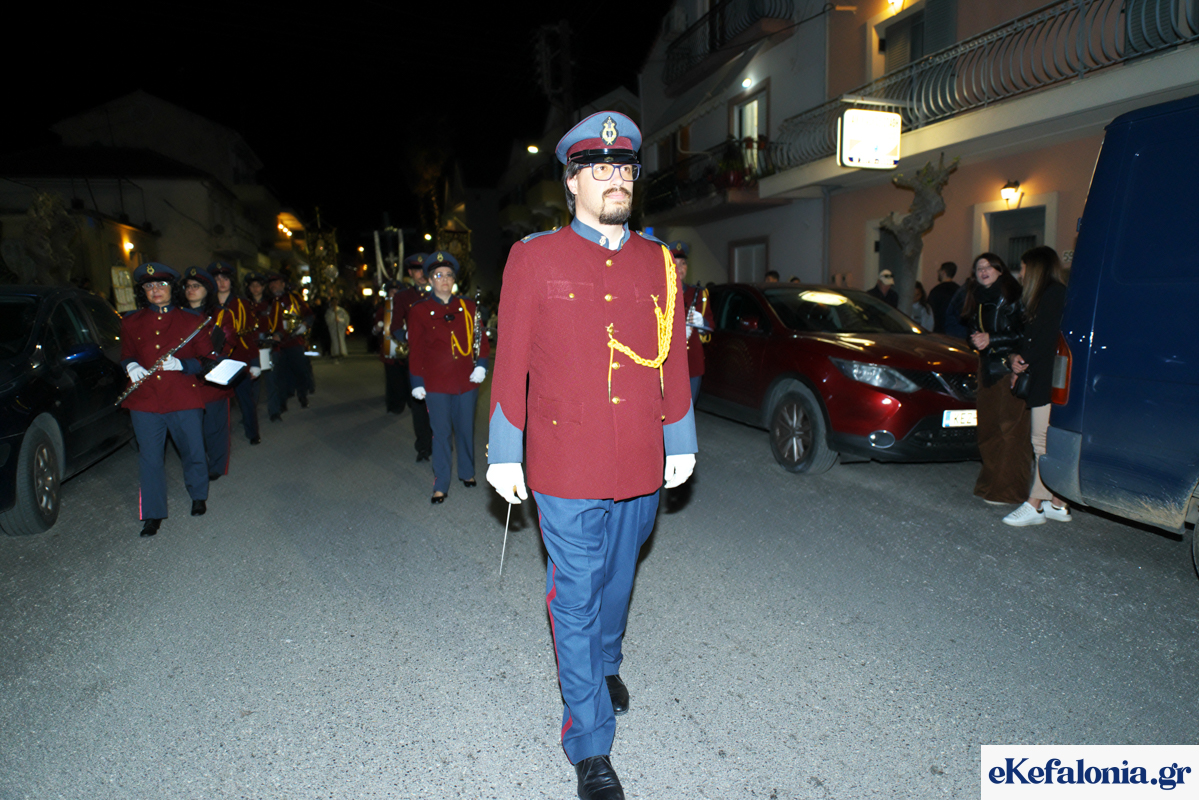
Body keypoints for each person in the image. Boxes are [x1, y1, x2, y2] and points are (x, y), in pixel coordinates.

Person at [486, 111, 696, 800]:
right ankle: (590, 745)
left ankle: (606, 663)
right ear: (572, 182)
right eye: (600, 169)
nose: (616, 179)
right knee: (574, 596)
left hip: (639, 454)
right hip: (564, 457)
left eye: (625, 168)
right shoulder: (533, 257)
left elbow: (672, 357)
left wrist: (680, 436)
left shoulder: (658, 261)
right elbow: (511, 359)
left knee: (619, 578)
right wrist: (505, 450)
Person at [119, 263, 215, 537]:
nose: (155, 290)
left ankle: (198, 495)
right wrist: (130, 366)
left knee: (193, 450)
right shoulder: (131, 321)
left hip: (183, 397)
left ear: (172, 288)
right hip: (145, 400)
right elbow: (126, 353)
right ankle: (153, 513)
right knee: (150, 459)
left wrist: (183, 365)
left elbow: (208, 360)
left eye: (161, 284)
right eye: (149, 286)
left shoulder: (192, 320)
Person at [407, 251, 489, 504]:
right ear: (430, 279)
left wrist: (481, 365)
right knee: (441, 434)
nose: (444, 279)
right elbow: (416, 350)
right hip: (436, 383)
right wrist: (416, 381)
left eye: (449, 275)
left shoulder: (468, 307)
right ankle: (441, 484)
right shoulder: (419, 310)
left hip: (466, 381)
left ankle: (467, 472)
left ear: (454, 280)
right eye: (438, 275)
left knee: (465, 430)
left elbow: (480, 340)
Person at [1004, 246, 1072, 526]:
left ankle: (1035, 505)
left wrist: (1022, 360)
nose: (1020, 273)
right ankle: (1058, 503)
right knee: (1047, 441)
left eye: (1023, 267)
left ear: (1035, 268)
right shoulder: (1050, 294)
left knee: (1040, 440)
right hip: (1046, 376)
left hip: (1047, 378)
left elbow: (1045, 338)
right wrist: (1018, 360)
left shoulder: (1052, 294)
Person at [957, 252, 1031, 505]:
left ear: (1000, 270)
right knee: (988, 428)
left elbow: (1026, 335)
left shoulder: (1012, 296)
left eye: (989, 266)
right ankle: (991, 485)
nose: (983, 271)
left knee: (1010, 430)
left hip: (1009, 368)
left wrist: (992, 339)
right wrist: (976, 340)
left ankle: (1009, 491)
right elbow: (972, 332)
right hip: (987, 368)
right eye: (979, 267)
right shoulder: (977, 298)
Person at [181, 266, 239, 481]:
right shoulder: (179, 314)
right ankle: (198, 463)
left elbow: (228, 342)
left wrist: (212, 361)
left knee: (215, 426)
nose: (191, 290)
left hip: (211, 377)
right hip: (186, 378)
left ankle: (216, 465)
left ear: (207, 289)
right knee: (191, 428)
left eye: (196, 286)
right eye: (188, 286)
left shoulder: (221, 314)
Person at [208, 261, 261, 445]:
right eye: (217, 279)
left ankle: (253, 433)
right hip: (214, 359)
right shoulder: (208, 303)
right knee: (217, 402)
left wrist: (255, 362)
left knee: (246, 399)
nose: (221, 283)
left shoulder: (242, 303)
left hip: (239, 358)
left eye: (225, 279)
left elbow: (250, 335)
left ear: (231, 281)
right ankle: (219, 439)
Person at [394, 253, 435, 459]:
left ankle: (439, 441)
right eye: (418, 270)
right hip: (417, 356)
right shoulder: (402, 297)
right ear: (410, 272)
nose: (422, 274)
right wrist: (408, 335)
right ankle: (423, 446)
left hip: (440, 357)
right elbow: (394, 327)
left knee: (440, 402)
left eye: (425, 269)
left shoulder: (440, 292)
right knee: (419, 404)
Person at [669, 240, 713, 405]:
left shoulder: (699, 294)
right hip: (669, 365)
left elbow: (710, 326)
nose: (680, 268)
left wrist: (702, 324)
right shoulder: (659, 294)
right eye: (675, 263)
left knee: (689, 410)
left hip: (692, 365)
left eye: (683, 263)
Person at [265, 272, 314, 420]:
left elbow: (309, 314)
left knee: (300, 369)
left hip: (294, 341)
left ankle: (302, 395)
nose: (273, 286)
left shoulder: (294, 298)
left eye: (276, 282)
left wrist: (304, 325)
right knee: (280, 374)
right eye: (271, 283)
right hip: (277, 344)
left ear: (283, 284)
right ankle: (282, 402)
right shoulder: (268, 302)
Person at [926, 261, 960, 333]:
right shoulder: (959, 290)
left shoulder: (936, 291)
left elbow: (929, 311)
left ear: (943, 272)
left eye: (939, 270)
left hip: (939, 329)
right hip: (955, 330)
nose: (938, 272)